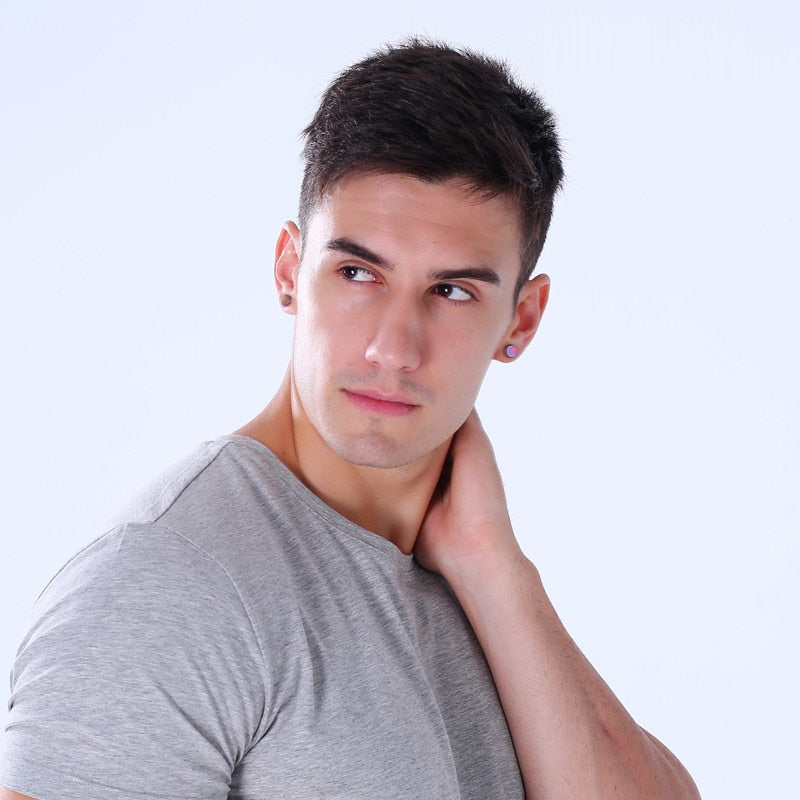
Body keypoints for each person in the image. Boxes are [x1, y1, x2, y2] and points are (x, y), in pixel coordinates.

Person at [0, 40, 700, 800]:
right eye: (358, 273)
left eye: (453, 292)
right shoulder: (169, 584)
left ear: (521, 322)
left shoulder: (475, 573)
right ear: (287, 271)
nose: (390, 347)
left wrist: (496, 570)